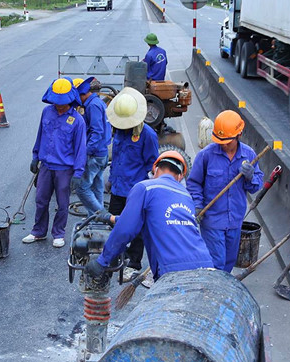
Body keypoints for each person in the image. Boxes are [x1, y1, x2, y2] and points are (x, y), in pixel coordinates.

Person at [87, 151, 212, 281]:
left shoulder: (145, 188)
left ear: (155, 169)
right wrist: (110, 218)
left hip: (173, 270)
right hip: (205, 265)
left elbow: (125, 229)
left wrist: (102, 261)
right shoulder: (187, 196)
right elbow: (161, 221)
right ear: (180, 177)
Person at [186, 110, 264, 272]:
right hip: (212, 220)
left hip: (235, 220)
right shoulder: (206, 156)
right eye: (220, 141)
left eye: (228, 141)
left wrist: (251, 177)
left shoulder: (248, 155)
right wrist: (198, 205)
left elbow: (255, 186)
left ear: (239, 135)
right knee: (217, 263)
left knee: (229, 261)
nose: (224, 144)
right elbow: (194, 184)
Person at [24, 78, 87, 248]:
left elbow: (81, 148)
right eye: (57, 102)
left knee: (62, 203)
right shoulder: (47, 112)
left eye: (63, 103)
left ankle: (58, 233)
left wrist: (78, 173)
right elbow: (40, 135)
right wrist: (35, 155)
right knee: (41, 200)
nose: (59, 106)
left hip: (64, 169)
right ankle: (38, 231)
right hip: (46, 165)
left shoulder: (77, 121)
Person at [104, 87, 158, 274]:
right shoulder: (118, 131)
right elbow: (117, 157)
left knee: (136, 228)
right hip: (118, 187)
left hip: (137, 189)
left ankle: (133, 262)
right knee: (113, 223)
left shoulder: (148, 135)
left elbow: (152, 164)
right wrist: (111, 178)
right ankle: (113, 255)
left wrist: (145, 188)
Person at [73, 77, 111, 216]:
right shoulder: (98, 102)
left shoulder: (92, 106)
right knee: (96, 187)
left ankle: (102, 216)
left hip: (95, 154)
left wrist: (85, 152)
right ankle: (95, 220)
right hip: (102, 153)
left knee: (82, 188)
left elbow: (97, 131)